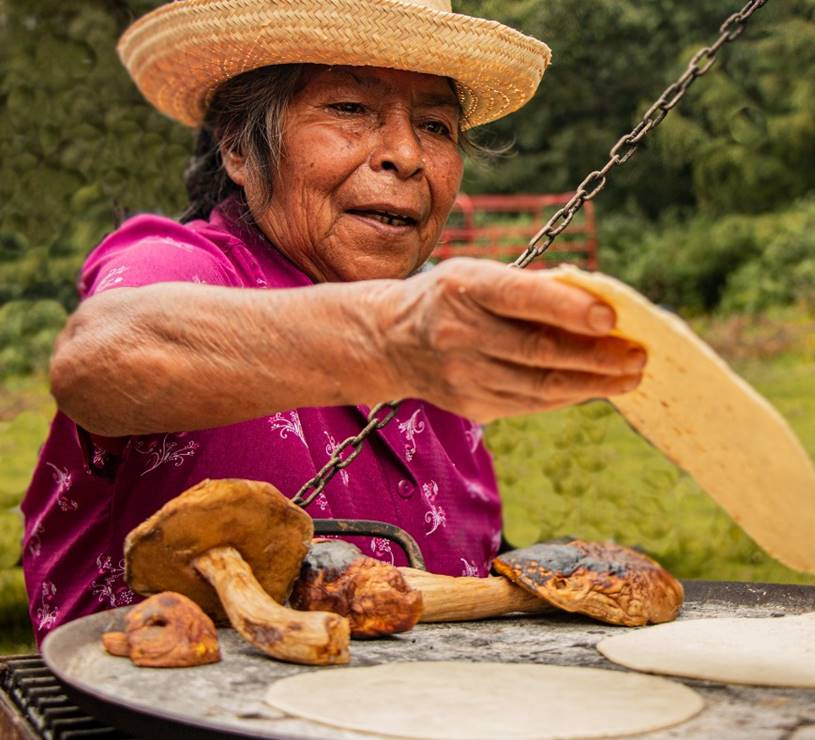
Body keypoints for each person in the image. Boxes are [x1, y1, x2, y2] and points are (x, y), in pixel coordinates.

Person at [21, 0, 646, 643]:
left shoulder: (443, 349)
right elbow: (98, 358)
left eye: (435, 126)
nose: (406, 154)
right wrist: (392, 340)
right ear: (238, 147)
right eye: (350, 109)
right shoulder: (185, 268)